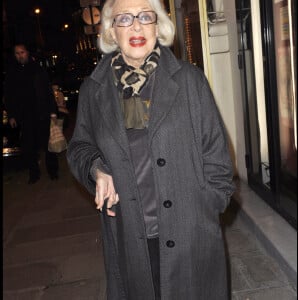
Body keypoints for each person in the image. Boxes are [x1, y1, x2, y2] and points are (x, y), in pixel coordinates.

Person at [67, 0, 235, 299]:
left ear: (159, 25)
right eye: (124, 19)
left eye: (146, 16)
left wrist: (209, 206)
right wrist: (97, 168)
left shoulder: (188, 80)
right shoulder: (94, 90)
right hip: (130, 233)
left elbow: (217, 155)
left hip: (189, 230)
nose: (136, 26)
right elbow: (79, 146)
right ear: (110, 31)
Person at [4, 44, 59, 183]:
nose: (20, 55)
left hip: (42, 112)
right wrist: (11, 115)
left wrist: (53, 111)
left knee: (49, 145)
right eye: (17, 53)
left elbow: (48, 91)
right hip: (25, 116)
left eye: (22, 52)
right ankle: (34, 174)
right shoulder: (12, 73)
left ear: (27, 53)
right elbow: (9, 96)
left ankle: (53, 171)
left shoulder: (38, 69)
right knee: (29, 147)